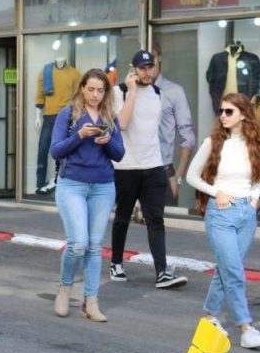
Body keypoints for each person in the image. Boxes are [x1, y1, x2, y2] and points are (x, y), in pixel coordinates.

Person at [187, 93, 260, 349]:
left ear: (243, 114)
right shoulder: (213, 142)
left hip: (246, 215)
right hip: (220, 213)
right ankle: (246, 328)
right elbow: (192, 176)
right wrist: (217, 192)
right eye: (221, 111)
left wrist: (253, 201)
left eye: (229, 111)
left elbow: (257, 177)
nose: (223, 115)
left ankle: (209, 316)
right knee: (234, 272)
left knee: (225, 270)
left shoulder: (255, 143)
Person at [49, 69, 125, 322]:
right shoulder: (68, 114)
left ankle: (90, 302)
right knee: (78, 243)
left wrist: (107, 140)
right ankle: (64, 289)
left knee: (94, 246)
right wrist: (79, 136)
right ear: (82, 88)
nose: (95, 94)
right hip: (72, 184)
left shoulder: (110, 116)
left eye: (100, 90)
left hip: (103, 186)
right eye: (91, 89)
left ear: (106, 93)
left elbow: (119, 154)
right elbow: (56, 150)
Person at [108, 50, 187, 289]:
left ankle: (162, 272)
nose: (147, 72)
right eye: (142, 67)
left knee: (156, 220)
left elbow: (158, 132)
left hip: (153, 166)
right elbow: (122, 123)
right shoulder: (117, 92)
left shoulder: (158, 94)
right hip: (126, 167)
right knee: (122, 217)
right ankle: (116, 263)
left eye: (150, 67)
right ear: (132, 68)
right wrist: (131, 91)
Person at [151, 48, 197, 206]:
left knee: (165, 226)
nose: (148, 64)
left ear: (159, 58)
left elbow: (188, 137)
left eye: (152, 57)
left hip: (163, 171)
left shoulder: (174, 91)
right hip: (134, 170)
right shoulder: (131, 92)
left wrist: (178, 178)